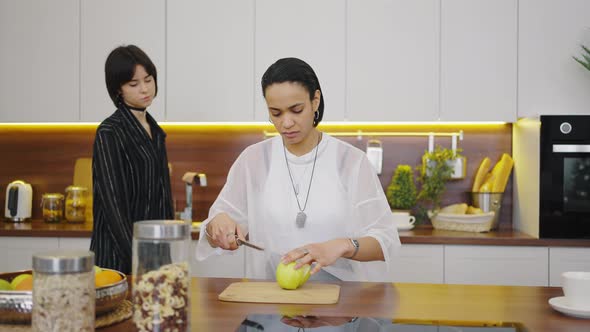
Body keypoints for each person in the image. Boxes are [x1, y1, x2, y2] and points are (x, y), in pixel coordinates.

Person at [196, 57, 400, 282]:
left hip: (340, 304)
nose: (286, 123)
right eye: (276, 113)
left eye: (296, 110)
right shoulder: (253, 160)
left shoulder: (350, 161)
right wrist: (216, 228)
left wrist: (343, 246)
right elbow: (215, 226)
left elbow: (386, 240)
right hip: (269, 300)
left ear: (315, 100)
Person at [90, 45, 173, 274]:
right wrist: (138, 258)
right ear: (119, 90)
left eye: (148, 79)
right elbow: (113, 206)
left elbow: (163, 198)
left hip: (156, 254)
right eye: (133, 84)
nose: (145, 89)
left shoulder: (156, 131)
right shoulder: (110, 132)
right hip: (118, 258)